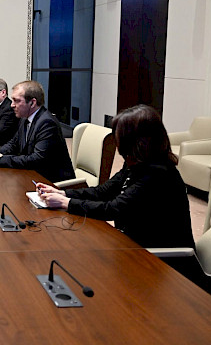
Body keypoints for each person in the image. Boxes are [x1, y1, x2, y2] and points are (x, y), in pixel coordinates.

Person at [36, 104, 194, 249]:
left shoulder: (158, 173)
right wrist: (63, 193)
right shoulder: (135, 162)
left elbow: (113, 209)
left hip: (161, 257)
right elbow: (102, 192)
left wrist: (66, 203)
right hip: (133, 242)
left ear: (135, 141)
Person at [0, 80, 73, 183]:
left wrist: (1, 159)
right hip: (33, 175)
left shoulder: (47, 123)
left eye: (16, 101)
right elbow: (13, 143)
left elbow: (37, 159)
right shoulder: (24, 118)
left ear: (32, 103)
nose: (12, 105)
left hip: (51, 182)